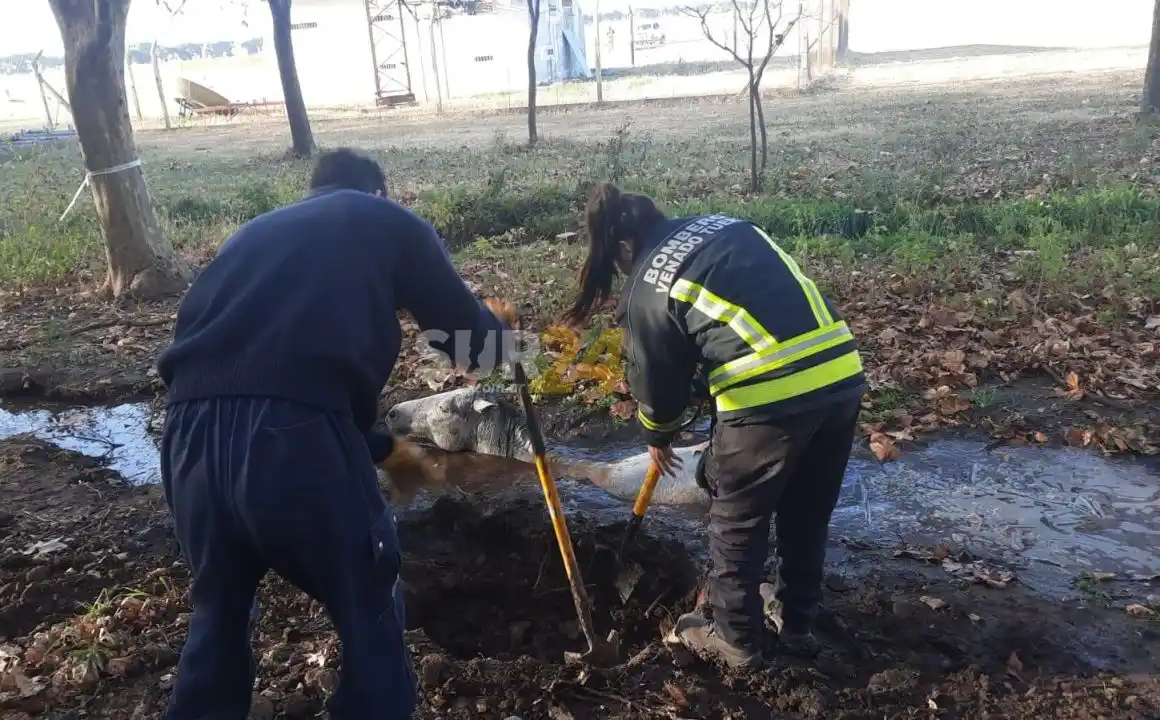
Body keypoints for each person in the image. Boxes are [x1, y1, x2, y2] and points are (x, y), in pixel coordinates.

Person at [156, 147, 516, 719]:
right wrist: (508, 330)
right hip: (290, 440)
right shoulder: (386, 220)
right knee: (367, 601)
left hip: (187, 437)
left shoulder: (253, 234)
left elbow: (266, 372)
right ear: (378, 190)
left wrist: (380, 449)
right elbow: (471, 346)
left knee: (218, 608)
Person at [563, 182, 865, 670]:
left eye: (618, 264)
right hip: (841, 376)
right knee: (806, 511)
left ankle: (734, 638)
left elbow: (654, 377)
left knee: (736, 518)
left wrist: (659, 433)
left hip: (768, 396)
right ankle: (796, 620)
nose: (622, 273)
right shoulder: (723, 226)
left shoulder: (648, 281)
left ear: (624, 246)